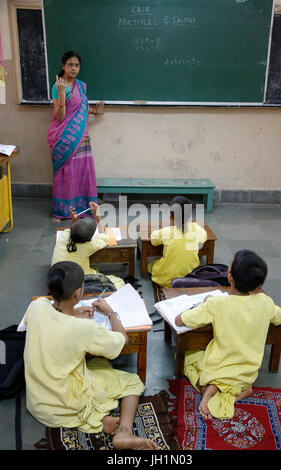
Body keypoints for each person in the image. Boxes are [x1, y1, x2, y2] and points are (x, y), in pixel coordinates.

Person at [23, 261, 158, 450]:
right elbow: (122, 341)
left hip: (38, 402)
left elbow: (52, 322)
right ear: (78, 294)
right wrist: (111, 313)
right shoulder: (84, 328)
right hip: (65, 400)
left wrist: (73, 313)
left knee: (100, 364)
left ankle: (103, 420)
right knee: (132, 381)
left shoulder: (37, 306)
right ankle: (124, 433)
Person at [175, 249, 281, 421]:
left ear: (230, 277)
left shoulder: (218, 303)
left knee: (188, 358)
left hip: (218, 369)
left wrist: (206, 304)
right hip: (248, 373)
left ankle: (210, 389)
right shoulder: (266, 302)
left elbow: (180, 321)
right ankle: (237, 392)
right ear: (259, 286)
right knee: (229, 376)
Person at [47, 50, 104, 222]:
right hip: (64, 137)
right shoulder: (58, 86)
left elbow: (81, 107)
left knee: (82, 172)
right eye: (70, 65)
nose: (73, 68)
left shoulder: (82, 85)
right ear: (63, 66)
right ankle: (62, 211)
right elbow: (61, 116)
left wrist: (95, 111)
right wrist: (62, 93)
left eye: (76, 65)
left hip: (81, 136)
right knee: (66, 174)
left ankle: (85, 207)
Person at [51, 201, 124, 290]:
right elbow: (104, 237)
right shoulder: (89, 246)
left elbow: (71, 229)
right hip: (73, 282)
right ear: (89, 239)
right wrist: (98, 217)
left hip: (55, 276)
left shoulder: (65, 234)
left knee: (93, 268)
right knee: (119, 282)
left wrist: (74, 221)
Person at [147, 196, 207, 287]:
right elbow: (204, 236)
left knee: (152, 264)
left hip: (167, 280)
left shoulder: (166, 232)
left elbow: (153, 241)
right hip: (190, 277)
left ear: (170, 215)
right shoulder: (196, 228)